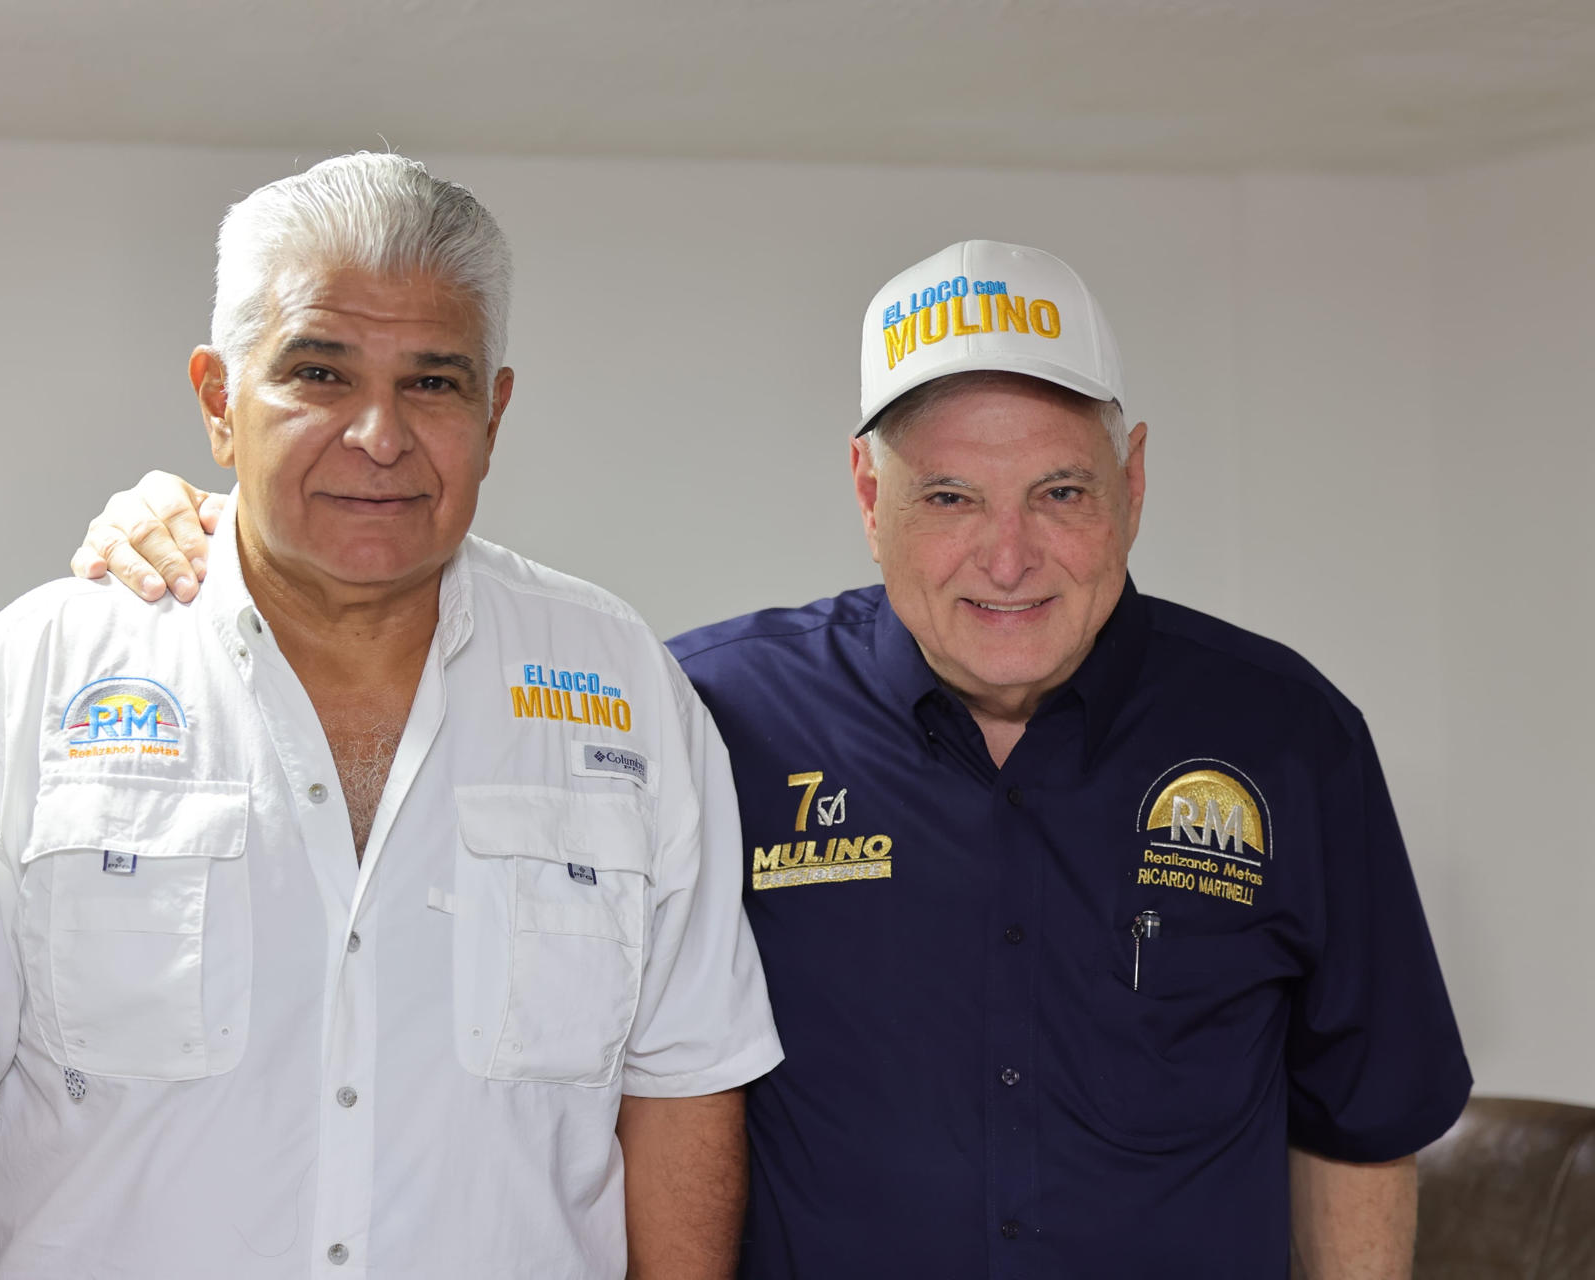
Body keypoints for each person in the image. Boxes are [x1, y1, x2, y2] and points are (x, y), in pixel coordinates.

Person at [74, 238, 1471, 1278]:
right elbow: (419, 709)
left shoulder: (1286, 737)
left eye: (1062, 492)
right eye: (947, 497)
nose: (1007, 557)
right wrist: (237, 530)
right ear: (867, 495)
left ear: (1136, 483)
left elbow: (1360, 1123)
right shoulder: (696, 716)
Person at [0, 153, 781, 1280]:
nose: (379, 434)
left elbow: (684, 1091)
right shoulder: (33, 677)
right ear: (219, 400)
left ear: (494, 414)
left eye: (435, 382)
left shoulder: (625, 686)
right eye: (319, 371)